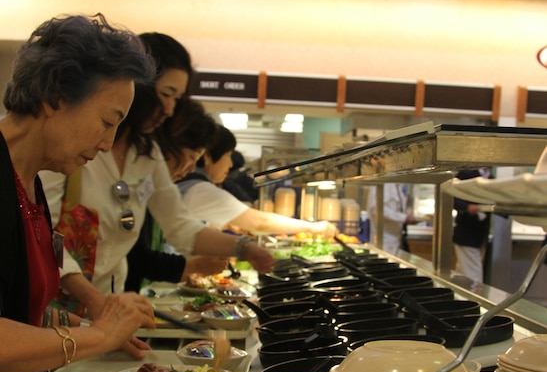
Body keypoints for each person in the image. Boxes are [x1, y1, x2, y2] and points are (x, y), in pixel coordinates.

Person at [0, 13, 157, 372]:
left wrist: (95, 326)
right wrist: (98, 337)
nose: (109, 143)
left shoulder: (30, 182)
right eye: (107, 122)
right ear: (55, 97)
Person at [40, 83, 273, 314]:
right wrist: (92, 298)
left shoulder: (146, 156)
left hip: (110, 301)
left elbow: (181, 227)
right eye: (167, 94)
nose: (169, 108)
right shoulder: (72, 150)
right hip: (58, 308)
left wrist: (245, 247)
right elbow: (43, 237)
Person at [124, 97, 224, 292]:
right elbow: (137, 256)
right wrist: (196, 265)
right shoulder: (135, 181)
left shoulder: (156, 186)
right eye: (191, 157)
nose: (191, 168)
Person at [175, 125, 339, 238]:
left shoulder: (194, 185)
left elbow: (189, 224)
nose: (231, 164)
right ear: (208, 157)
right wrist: (314, 227)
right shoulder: (198, 188)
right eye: (228, 156)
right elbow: (261, 223)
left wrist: (227, 224)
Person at [453, 168, 491, 285]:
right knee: (474, 277)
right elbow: (451, 196)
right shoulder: (466, 174)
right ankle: (475, 302)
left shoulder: (490, 177)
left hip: (480, 236)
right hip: (466, 234)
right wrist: (467, 207)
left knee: (462, 274)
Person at [367, 183, 416, 255]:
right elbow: (376, 209)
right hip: (383, 242)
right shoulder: (383, 184)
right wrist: (404, 218)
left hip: (396, 241)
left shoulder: (397, 185)